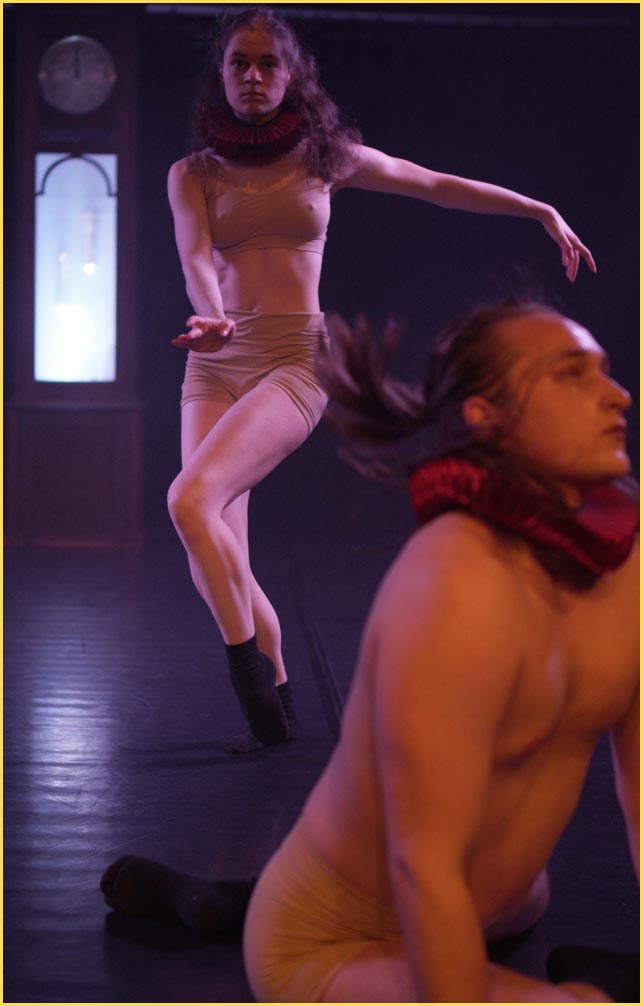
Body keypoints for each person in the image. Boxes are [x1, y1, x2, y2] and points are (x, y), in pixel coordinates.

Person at [102, 300, 639, 1002]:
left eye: (603, 369)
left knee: (525, 901)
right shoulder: (454, 578)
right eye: (571, 373)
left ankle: (227, 899)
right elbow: (422, 867)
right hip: (330, 942)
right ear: (486, 417)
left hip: (505, 899)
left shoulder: (625, 558)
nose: (618, 394)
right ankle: (251, 904)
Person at [165, 5, 596, 747]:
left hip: (295, 360)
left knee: (188, 498)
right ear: (222, 75)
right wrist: (213, 316)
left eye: (268, 63)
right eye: (239, 62)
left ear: (292, 75)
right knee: (214, 539)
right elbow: (195, 256)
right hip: (215, 363)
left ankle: (248, 674)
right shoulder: (193, 173)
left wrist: (536, 208)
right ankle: (278, 680)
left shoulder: (326, 158)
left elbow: (432, 184)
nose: (253, 76)